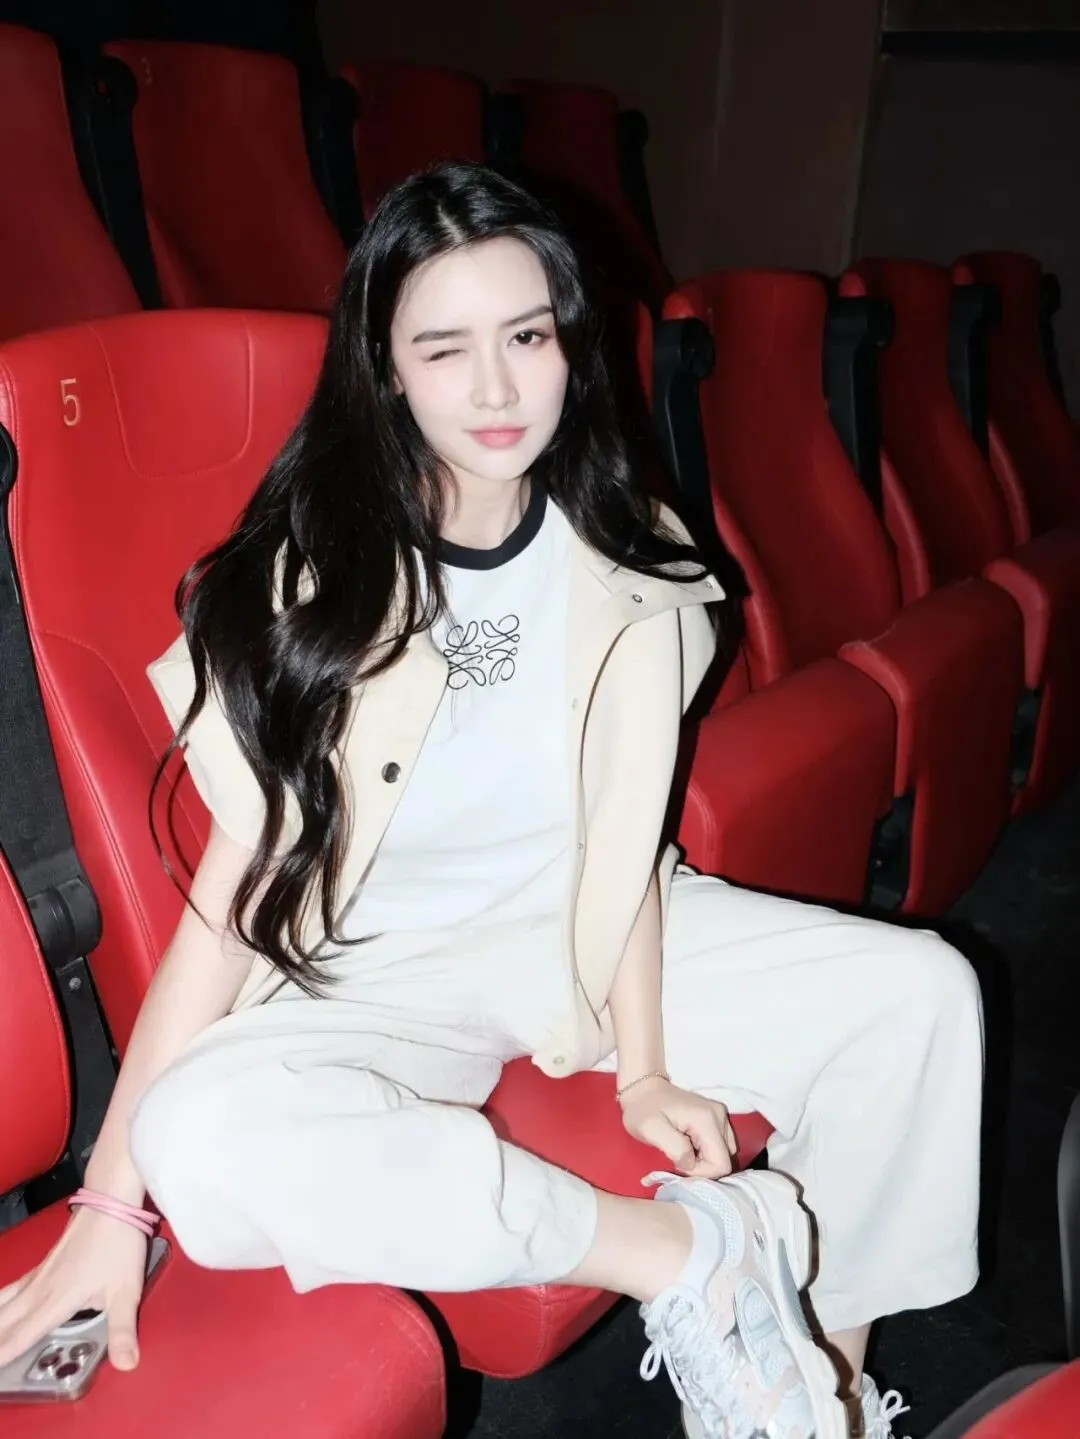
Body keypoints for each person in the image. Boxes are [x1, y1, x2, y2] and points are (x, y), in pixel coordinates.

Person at [0, 162, 982, 1439]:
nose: (498, 388)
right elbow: (233, 904)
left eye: (527, 336)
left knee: (919, 1000)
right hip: (379, 977)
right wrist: (107, 1203)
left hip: (579, 934)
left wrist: (643, 1069)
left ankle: (813, 1385)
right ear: (387, 369)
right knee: (200, 1133)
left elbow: (629, 840)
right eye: (445, 348)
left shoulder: (636, 559)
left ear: (572, 341)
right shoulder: (307, 587)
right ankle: (688, 1253)